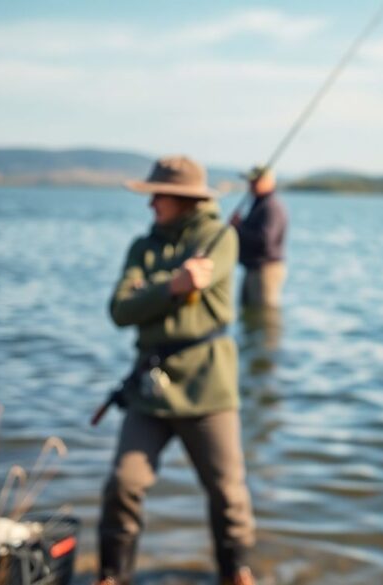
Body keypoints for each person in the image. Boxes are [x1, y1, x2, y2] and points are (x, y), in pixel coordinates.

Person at [98, 156, 256, 585]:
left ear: (183, 199)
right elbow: (120, 310)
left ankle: (236, 571)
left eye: (157, 197)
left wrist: (149, 291)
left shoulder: (220, 237)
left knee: (228, 493)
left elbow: (160, 294)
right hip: (149, 386)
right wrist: (171, 286)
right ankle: (112, 573)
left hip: (209, 385)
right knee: (123, 483)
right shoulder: (141, 247)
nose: (150, 206)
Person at [231, 165, 288, 309]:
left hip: (265, 271)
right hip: (252, 268)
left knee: (265, 317)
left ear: (268, 181)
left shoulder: (271, 206)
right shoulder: (259, 204)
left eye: (255, 181)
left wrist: (239, 227)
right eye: (250, 181)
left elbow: (264, 240)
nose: (250, 185)